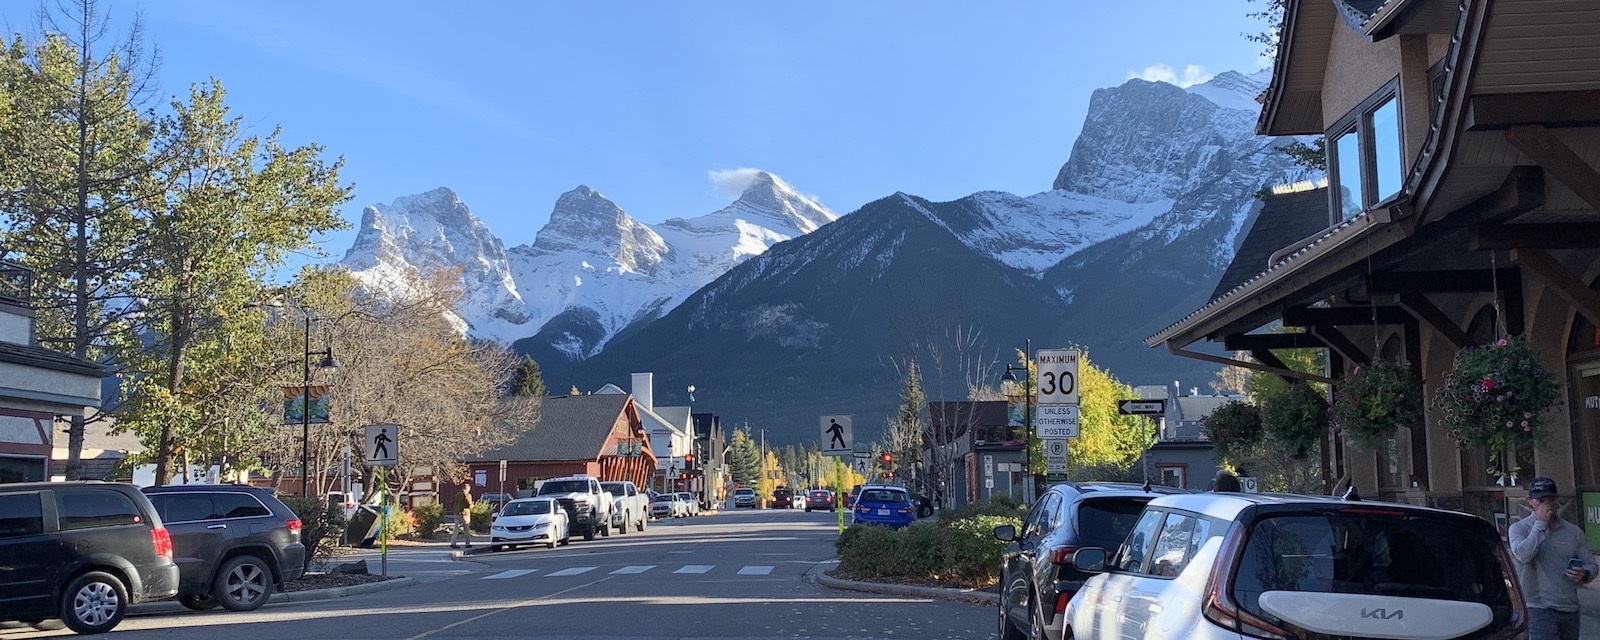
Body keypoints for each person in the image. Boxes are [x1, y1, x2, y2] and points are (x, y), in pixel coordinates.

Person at [1508, 477, 1596, 640]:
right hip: (1538, 607)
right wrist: (1540, 524)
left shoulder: (1573, 532)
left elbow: (1590, 564)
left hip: (1569, 607)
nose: (1547, 505)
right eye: (1541, 501)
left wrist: (1585, 574)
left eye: (1551, 500)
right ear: (1530, 502)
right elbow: (1523, 555)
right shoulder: (1519, 529)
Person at [450, 484, 475, 549]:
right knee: (466, 529)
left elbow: (452, 502)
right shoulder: (468, 495)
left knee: (456, 529)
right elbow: (469, 504)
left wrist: (454, 510)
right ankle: (467, 543)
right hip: (465, 514)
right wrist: (472, 507)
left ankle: (453, 543)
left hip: (456, 513)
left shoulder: (456, 494)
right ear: (467, 488)